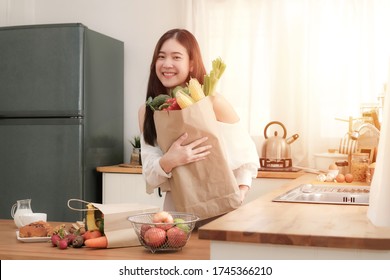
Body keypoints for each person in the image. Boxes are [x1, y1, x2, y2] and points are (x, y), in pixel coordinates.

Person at [138, 28, 259, 213]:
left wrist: (241, 193)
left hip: (223, 206)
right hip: (177, 209)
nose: (166, 64)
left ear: (192, 64)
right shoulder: (148, 112)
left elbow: (246, 158)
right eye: (161, 57)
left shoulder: (214, 102)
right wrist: (169, 160)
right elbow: (149, 174)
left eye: (176, 57)